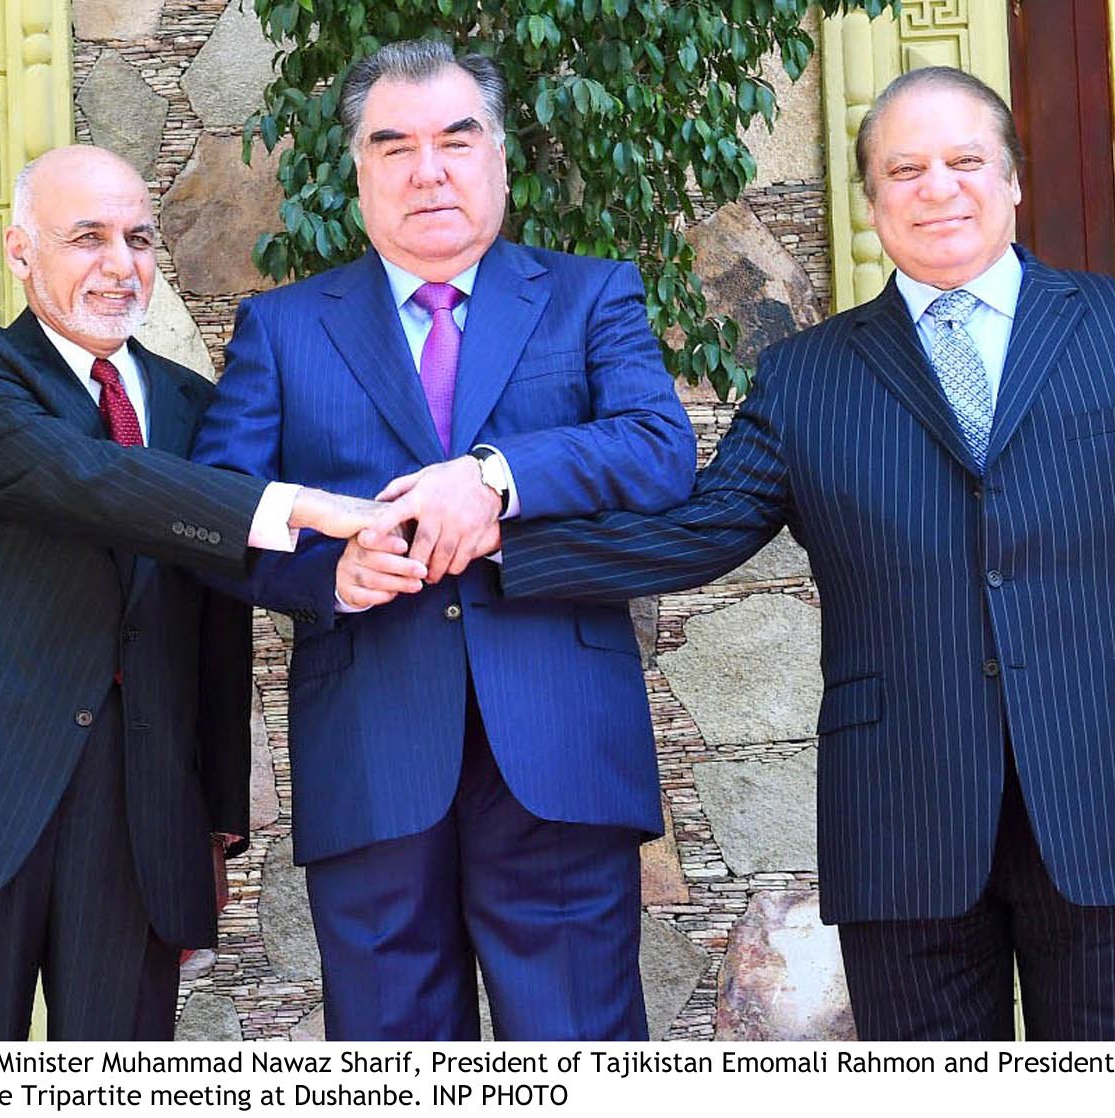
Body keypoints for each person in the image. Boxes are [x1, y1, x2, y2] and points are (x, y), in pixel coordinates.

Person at [493, 67, 1115, 1041]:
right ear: (871, 200)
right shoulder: (806, 375)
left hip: (1107, 794)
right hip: (901, 817)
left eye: (964, 161)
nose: (937, 187)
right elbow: (694, 529)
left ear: (1011, 181)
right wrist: (495, 547)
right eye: (904, 169)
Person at [0, 145, 406, 1040]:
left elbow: (215, 615)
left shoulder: (194, 406)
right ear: (21, 252)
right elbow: (87, 479)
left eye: (139, 238)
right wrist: (297, 505)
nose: (120, 264)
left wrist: (216, 819)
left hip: (142, 813)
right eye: (87, 238)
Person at [191, 40, 696, 1040]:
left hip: (558, 744)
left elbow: (657, 449)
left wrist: (496, 477)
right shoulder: (283, 328)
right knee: (390, 1056)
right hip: (372, 746)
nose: (429, 169)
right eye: (395, 146)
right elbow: (216, 509)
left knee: (578, 1049)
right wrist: (326, 570)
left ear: (499, 157)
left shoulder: (592, 295)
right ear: (360, 170)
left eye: (456, 142)